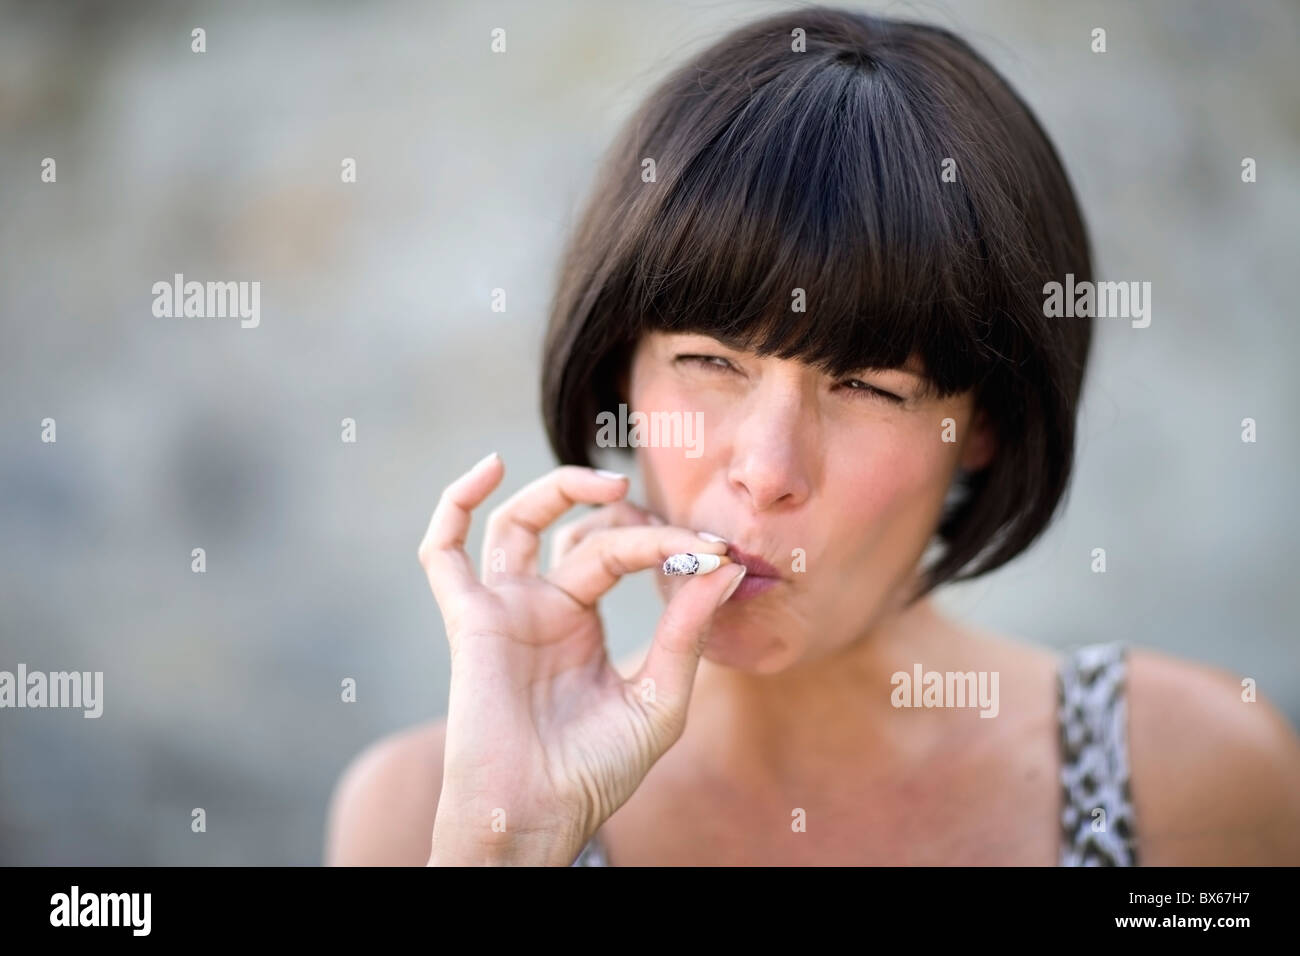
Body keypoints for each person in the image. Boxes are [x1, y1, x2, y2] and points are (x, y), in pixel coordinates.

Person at [324, 6, 1300, 866]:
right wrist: (507, 842)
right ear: (618, 366)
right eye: (709, 361)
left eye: (868, 385)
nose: (765, 469)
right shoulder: (422, 814)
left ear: (984, 425)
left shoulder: (1186, 775)